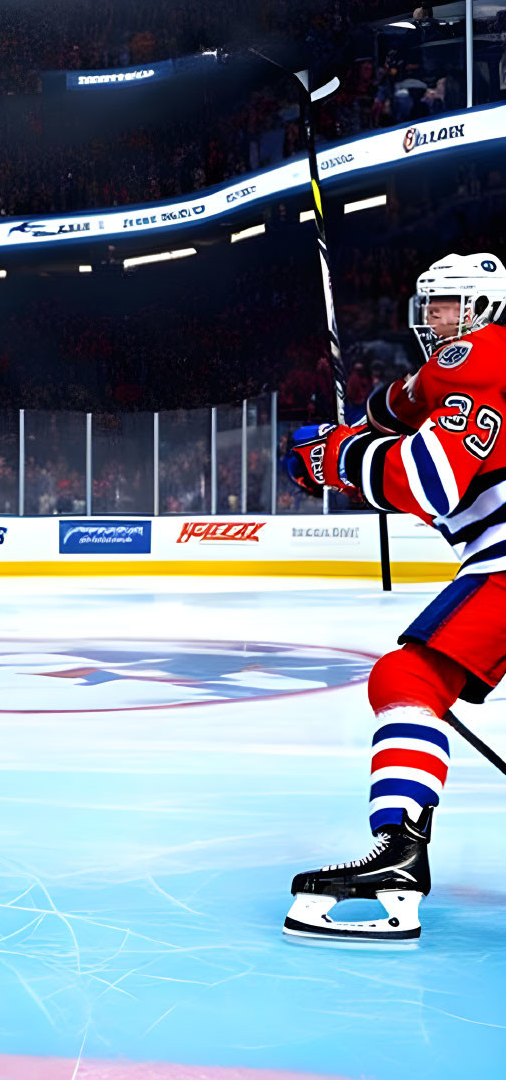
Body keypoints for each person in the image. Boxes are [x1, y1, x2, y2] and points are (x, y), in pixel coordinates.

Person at [284, 252, 506, 942]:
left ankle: (398, 859)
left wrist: (335, 458)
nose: (429, 317)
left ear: (478, 308)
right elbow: (400, 408)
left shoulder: (482, 353)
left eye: (442, 304)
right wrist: (352, 438)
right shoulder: (459, 374)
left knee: (406, 675)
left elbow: (428, 475)